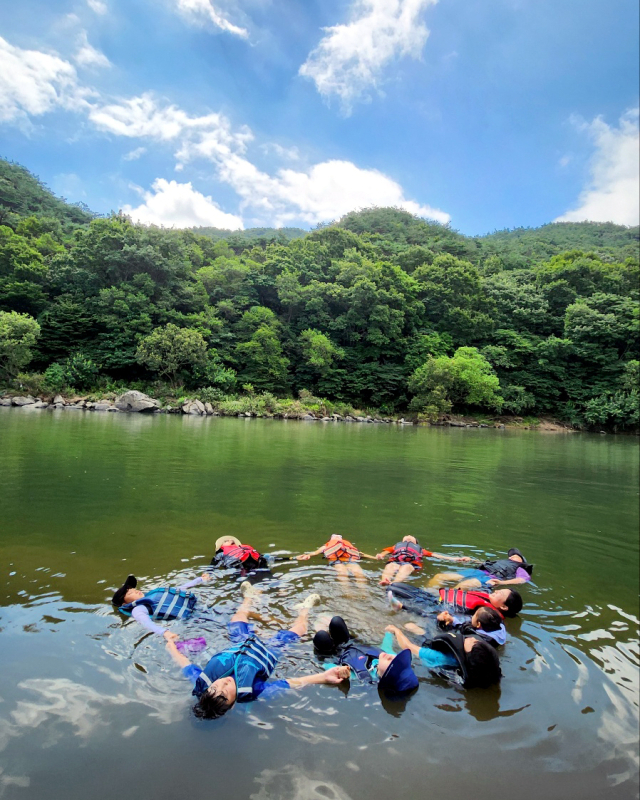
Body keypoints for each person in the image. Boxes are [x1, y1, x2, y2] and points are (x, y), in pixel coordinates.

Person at [166, 590, 349, 719]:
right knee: (300, 629)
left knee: (237, 620)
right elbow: (291, 684)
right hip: (268, 651)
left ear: (207, 689)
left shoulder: (202, 682)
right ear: (233, 703)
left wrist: (171, 646)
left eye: (215, 687)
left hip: (240, 644)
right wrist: (325, 676)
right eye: (225, 693)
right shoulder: (255, 691)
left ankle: (248, 598)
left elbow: (184, 663)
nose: (223, 683)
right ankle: (305, 609)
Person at [312, 616, 419, 695]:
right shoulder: (389, 655)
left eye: (392, 664)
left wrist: (339, 671)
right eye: (397, 659)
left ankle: (326, 640)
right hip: (349, 642)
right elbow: (387, 646)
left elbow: (329, 668)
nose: (392, 657)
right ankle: (333, 633)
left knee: (321, 637)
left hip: (335, 654)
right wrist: (389, 633)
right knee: (336, 621)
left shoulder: (362, 677)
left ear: (384, 678)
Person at [385, 624, 502, 689]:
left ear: (466, 655)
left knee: (409, 626)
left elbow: (407, 647)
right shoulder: (483, 670)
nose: (472, 638)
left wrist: (396, 630)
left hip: (426, 654)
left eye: (472, 642)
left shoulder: (441, 657)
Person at [112, 573, 214, 639]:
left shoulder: (152, 595)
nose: (136, 591)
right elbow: (146, 622)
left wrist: (200, 579)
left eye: (134, 589)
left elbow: (180, 589)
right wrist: (165, 633)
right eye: (130, 593)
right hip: (192, 621)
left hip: (199, 608)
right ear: (125, 604)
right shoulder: (138, 609)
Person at [387, 582, 523, 619]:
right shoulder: (488, 598)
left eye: (502, 593)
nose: (498, 591)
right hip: (436, 598)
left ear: (504, 607)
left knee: (392, 590)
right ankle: (388, 587)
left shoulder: (486, 612)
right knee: (393, 585)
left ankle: (401, 607)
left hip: (439, 606)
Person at [375, 535, 471, 586]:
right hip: (395, 561)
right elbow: (385, 552)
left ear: (416, 543)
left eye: (411, 536)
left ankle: (394, 583)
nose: (408, 535)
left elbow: (437, 556)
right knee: (390, 566)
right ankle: (385, 581)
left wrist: (457, 559)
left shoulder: (421, 550)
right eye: (407, 536)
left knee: (406, 567)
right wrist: (380, 555)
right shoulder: (395, 546)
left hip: (411, 564)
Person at [428, 547, 533, 590]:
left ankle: (443, 601)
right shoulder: (501, 561)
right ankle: (428, 594)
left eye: (515, 555)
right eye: (511, 555)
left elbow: (522, 579)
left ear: (522, 560)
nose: (511, 556)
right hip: (479, 570)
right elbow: (486, 563)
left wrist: (501, 583)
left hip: (492, 577)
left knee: (464, 585)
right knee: (440, 576)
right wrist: (470, 560)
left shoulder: (521, 568)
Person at [404, 606, 506, 647]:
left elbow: (464, 629)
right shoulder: (499, 627)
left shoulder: (475, 637)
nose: (471, 618)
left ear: (479, 625)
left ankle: (405, 609)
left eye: (474, 616)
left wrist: (451, 620)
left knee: (436, 623)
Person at [296, 534, 376, 585]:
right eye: (335, 536)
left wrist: (374, 558)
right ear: (331, 540)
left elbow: (361, 554)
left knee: (359, 574)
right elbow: (315, 553)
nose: (337, 537)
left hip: (348, 560)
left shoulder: (346, 546)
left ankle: (363, 593)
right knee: (343, 573)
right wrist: (307, 555)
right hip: (337, 561)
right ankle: (348, 593)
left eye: (338, 536)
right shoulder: (326, 546)